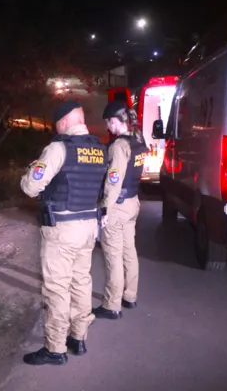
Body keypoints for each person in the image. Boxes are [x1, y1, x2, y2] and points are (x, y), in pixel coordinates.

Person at [19, 100, 108, 366]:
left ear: (65, 121)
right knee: (81, 281)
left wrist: (29, 172)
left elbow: (31, 187)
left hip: (63, 228)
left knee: (57, 288)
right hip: (88, 228)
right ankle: (78, 338)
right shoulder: (99, 149)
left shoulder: (58, 148)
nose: (56, 128)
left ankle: (55, 348)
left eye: (58, 123)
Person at [92, 100, 148, 320]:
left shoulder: (119, 146)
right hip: (133, 202)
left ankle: (111, 305)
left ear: (115, 120)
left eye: (109, 122)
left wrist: (105, 209)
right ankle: (130, 296)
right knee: (129, 252)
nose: (108, 127)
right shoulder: (138, 140)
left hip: (117, 206)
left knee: (113, 256)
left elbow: (113, 181)